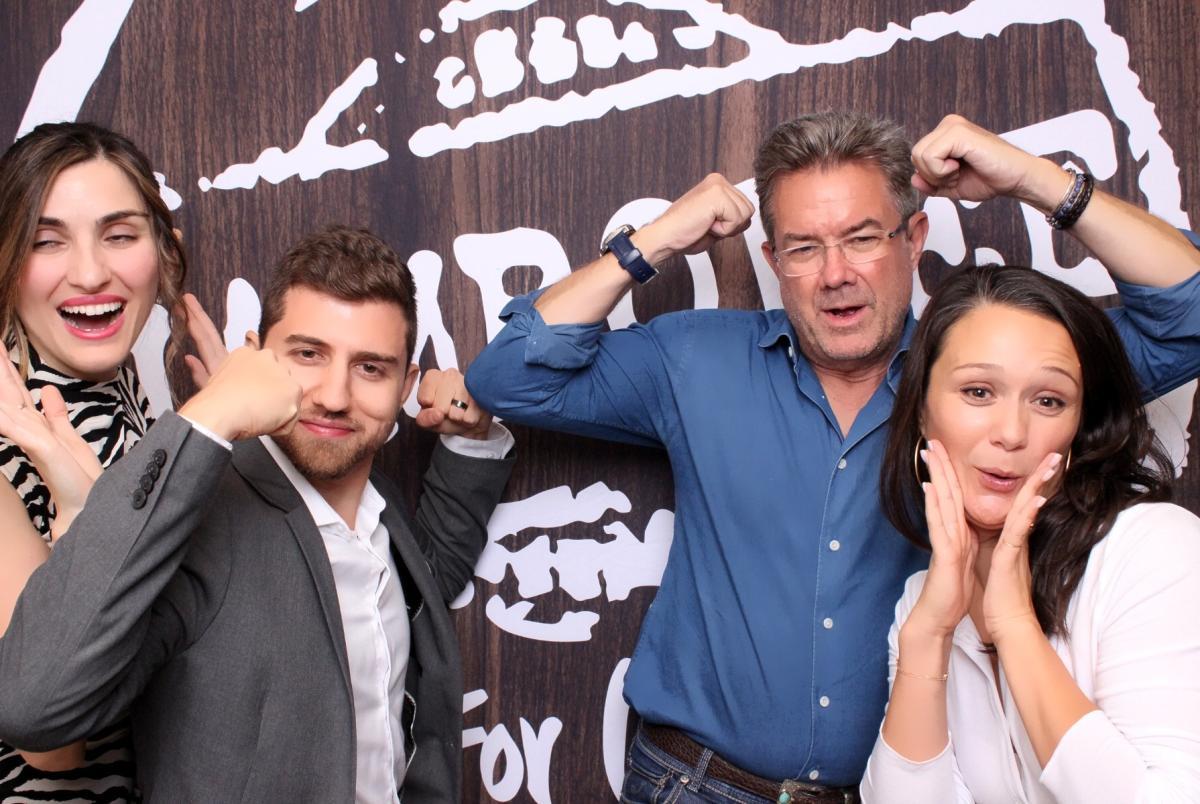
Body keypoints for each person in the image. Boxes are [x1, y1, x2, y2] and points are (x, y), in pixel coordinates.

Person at [465, 112, 1200, 800]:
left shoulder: (976, 382)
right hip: (695, 784)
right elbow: (508, 377)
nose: (836, 273)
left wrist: (1032, 179)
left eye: (863, 238)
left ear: (914, 238)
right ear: (772, 259)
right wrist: (652, 240)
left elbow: (1188, 321)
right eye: (804, 247)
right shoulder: (693, 359)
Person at [0, 224, 515, 802]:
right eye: (308, 354)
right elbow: (34, 707)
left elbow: (428, 577)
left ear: (405, 386)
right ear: (255, 359)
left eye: (370, 368)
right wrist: (211, 415)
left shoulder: (381, 507)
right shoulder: (201, 527)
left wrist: (470, 438)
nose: (335, 396)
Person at [860, 265, 1200, 801]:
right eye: (978, 391)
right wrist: (927, 638)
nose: (1012, 433)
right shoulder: (921, 602)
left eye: (1048, 401)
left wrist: (1015, 627)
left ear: (1079, 426)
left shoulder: (1154, 550)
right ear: (922, 410)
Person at [0, 121, 197, 802]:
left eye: (119, 235)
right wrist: (87, 527)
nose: (89, 272)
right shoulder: (13, 434)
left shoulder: (129, 404)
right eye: (45, 241)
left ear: (164, 253)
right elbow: (50, 744)